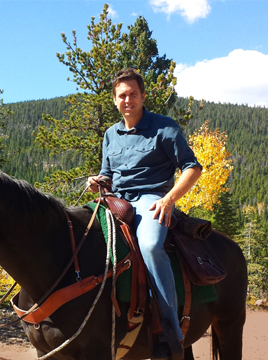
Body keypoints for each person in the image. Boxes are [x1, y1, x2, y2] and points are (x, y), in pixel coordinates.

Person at [87, 68, 202, 360]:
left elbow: (192, 167)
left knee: (150, 246)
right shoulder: (111, 134)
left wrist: (169, 199)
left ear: (142, 96)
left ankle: (171, 334)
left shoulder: (164, 127)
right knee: (80, 237)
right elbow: (107, 174)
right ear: (115, 100)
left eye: (133, 94)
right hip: (115, 201)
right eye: (122, 95)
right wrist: (97, 182)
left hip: (151, 201)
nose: (128, 100)